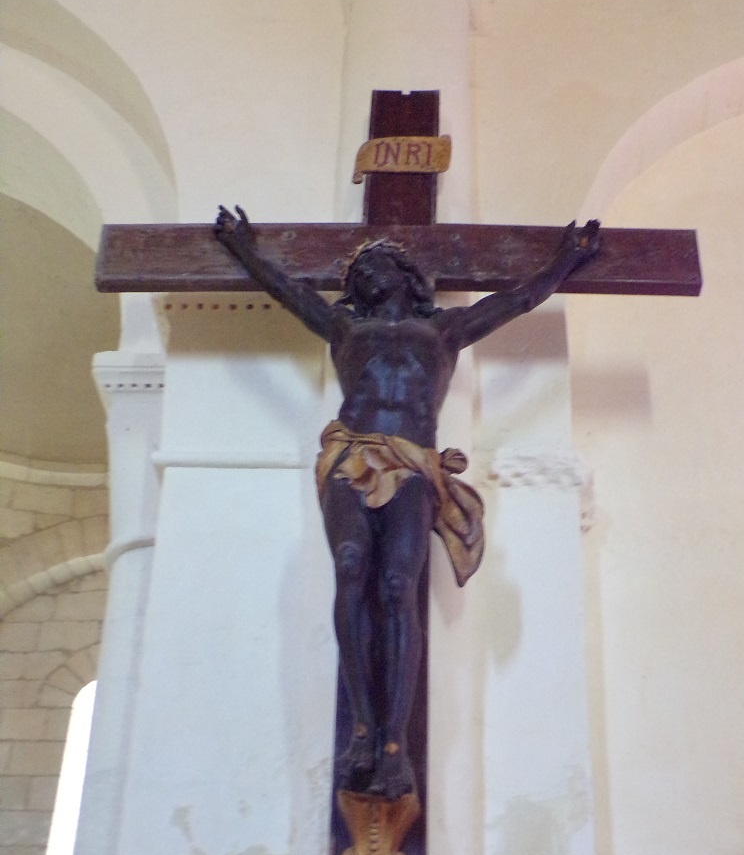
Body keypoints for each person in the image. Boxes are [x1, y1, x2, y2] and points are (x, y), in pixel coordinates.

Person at [215, 206, 600, 798]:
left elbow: (516, 301)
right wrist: (244, 250)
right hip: (352, 455)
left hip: (415, 463)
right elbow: (288, 293)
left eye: (372, 264)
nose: (361, 275)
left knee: (397, 586)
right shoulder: (345, 330)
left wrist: (566, 260)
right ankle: (363, 729)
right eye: (357, 271)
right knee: (349, 568)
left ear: (403, 276)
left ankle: (394, 743)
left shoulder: (443, 331)